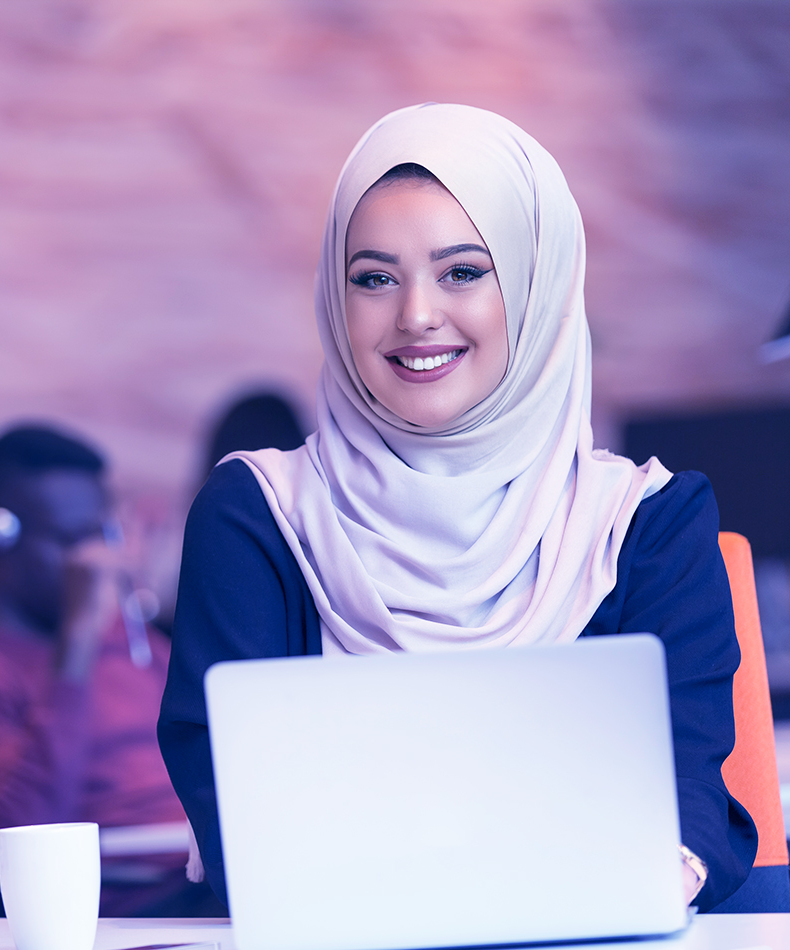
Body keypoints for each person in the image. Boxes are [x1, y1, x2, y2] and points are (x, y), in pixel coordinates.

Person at [158, 104, 758, 914]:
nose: (414, 315)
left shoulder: (647, 524)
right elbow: (236, 810)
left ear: (536, 286)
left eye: (463, 271)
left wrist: (632, 892)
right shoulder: (256, 519)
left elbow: (685, 790)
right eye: (373, 278)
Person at [0, 423, 222, 916]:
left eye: (101, 534)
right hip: (139, 897)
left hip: (216, 867)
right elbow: (23, 830)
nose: (98, 561)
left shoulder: (134, 644)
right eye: (70, 540)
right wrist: (76, 647)